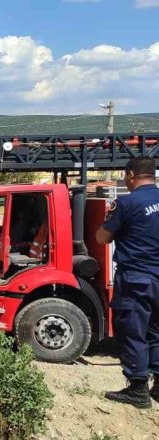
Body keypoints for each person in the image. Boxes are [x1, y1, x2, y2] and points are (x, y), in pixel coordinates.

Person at [96, 156, 159, 409]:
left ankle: (137, 388)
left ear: (131, 174)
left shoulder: (126, 203)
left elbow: (102, 238)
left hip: (136, 279)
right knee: (156, 332)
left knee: (133, 332)